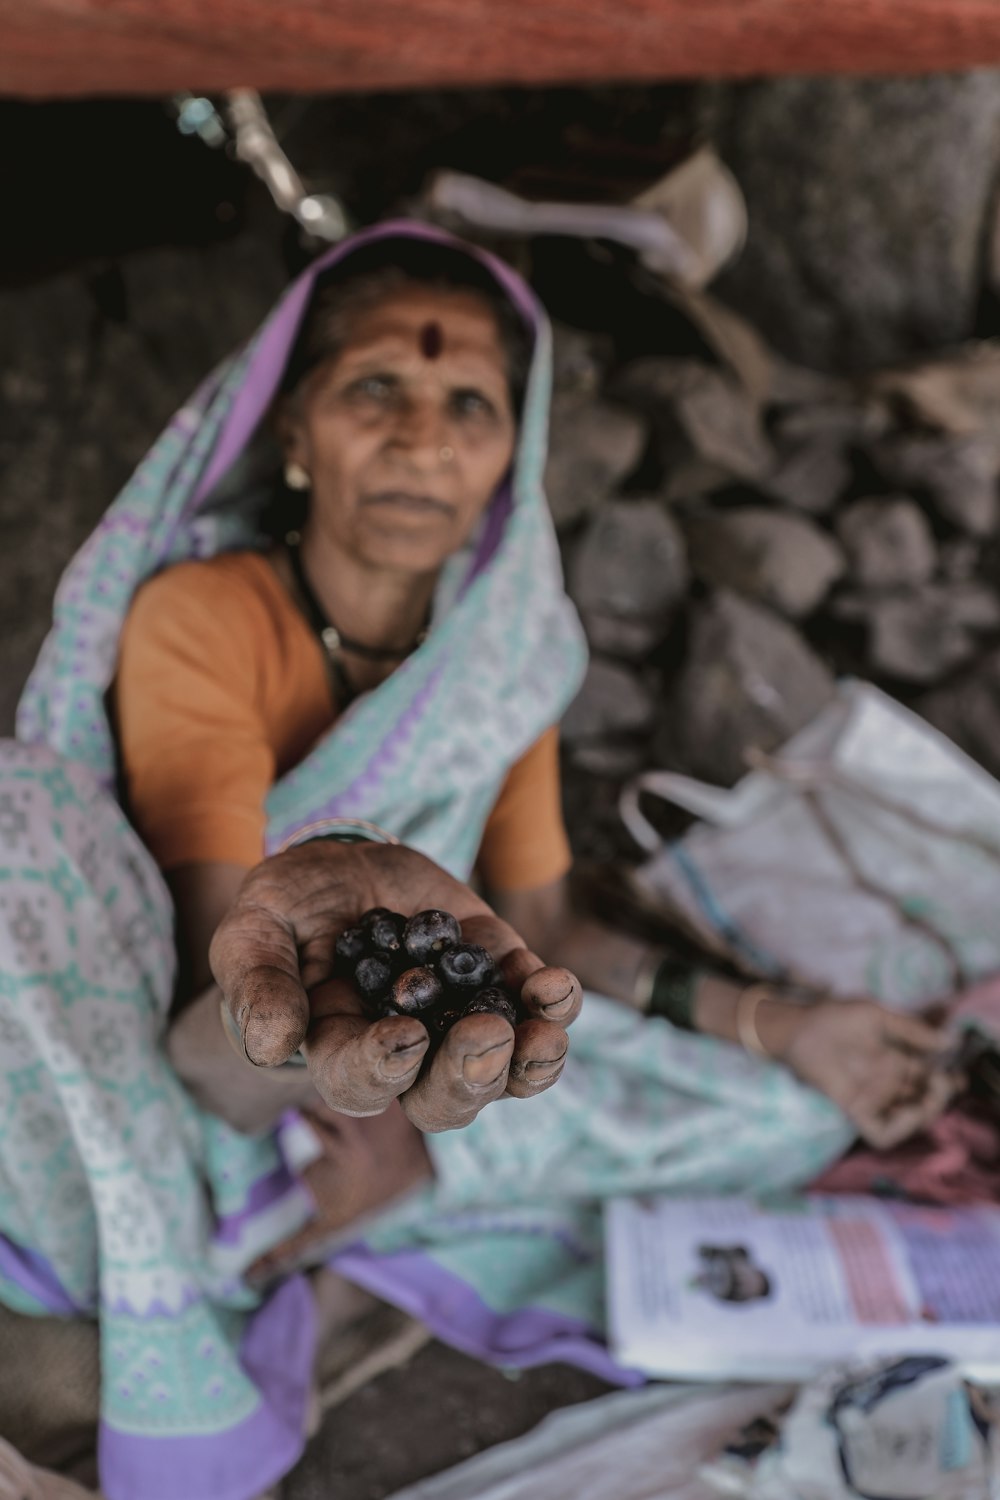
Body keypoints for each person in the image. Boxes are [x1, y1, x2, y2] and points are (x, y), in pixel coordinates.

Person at [1, 223, 960, 1500]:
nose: (422, 437)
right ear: (294, 435)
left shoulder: (505, 654)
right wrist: (363, 1091)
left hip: (375, 1063)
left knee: (783, 1106)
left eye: (471, 404)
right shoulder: (206, 622)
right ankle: (310, 1255)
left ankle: (345, 1237)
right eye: (373, 390)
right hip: (194, 1056)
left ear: (514, 454)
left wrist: (777, 1021)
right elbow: (217, 1014)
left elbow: (543, 924)